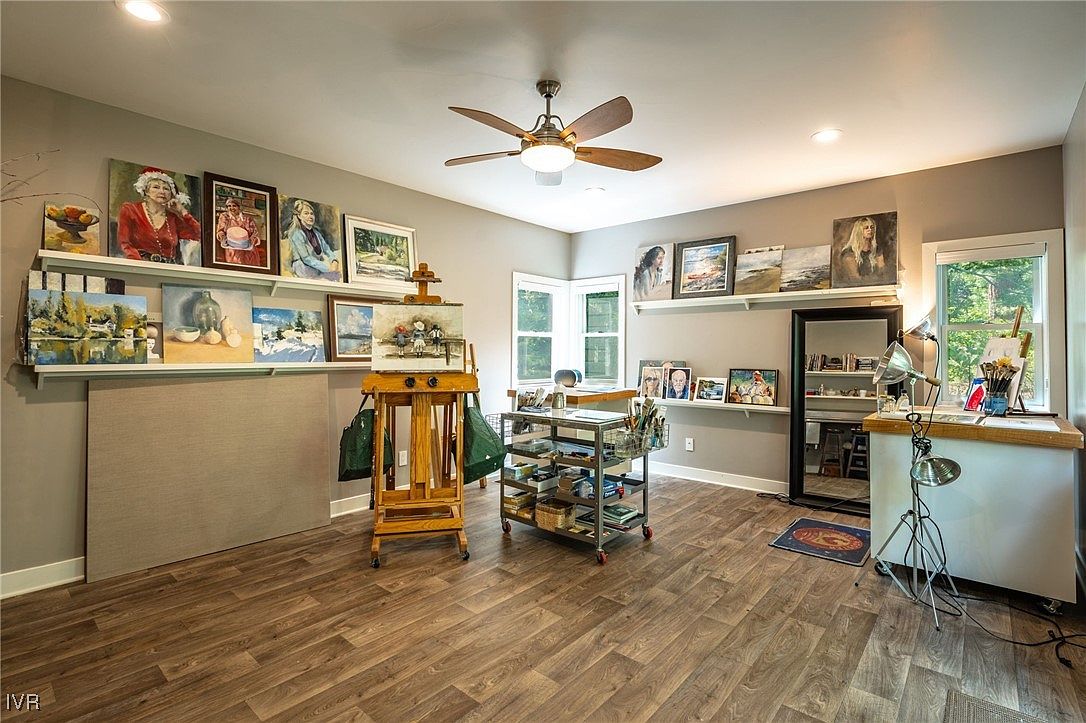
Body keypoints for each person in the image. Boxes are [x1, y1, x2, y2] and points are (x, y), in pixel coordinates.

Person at [115, 167, 201, 264]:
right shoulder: (130, 210)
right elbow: (124, 243)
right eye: (156, 187)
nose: (162, 191)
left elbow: (199, 235)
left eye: (166, 189)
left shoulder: (173, 219)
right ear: (146, 191)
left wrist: (183, 212)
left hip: (169, 271)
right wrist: (138, 265)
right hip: (139, 267)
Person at [283, 199, 341, 280]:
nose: (310, 216)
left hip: (317, 266)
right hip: (303, 268)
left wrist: (334, 260)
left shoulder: (316, 233)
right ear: (299, 216)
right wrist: (328, 268)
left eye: (311, 214)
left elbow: (326, 249)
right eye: (306, 213)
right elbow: (306, 259)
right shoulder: (296, 233)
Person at [836, 216, 893, 284]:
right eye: (866, 228)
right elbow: (855, 278)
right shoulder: (849, 252)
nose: (870, 230)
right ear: (859, 230)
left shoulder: (877, 249)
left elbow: (882, 271)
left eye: (872, 227)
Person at [215, 197, 263, 268]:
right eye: (229, 206)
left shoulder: (247, 218)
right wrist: (223, 238)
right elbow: (220, 230)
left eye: (234, 206)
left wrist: (251, 241)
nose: (231, 208)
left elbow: (255, 233)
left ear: (239, 207)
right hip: (232, 248)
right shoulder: (224, 217)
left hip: (247, 248)